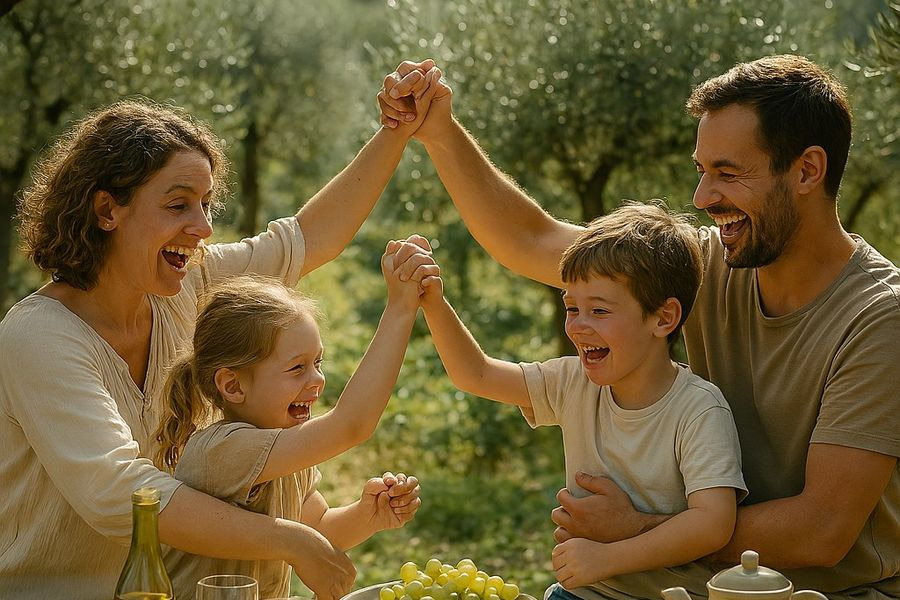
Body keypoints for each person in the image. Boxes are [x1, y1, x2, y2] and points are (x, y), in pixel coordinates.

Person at [378, 55, 899, 598]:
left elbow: (821, 532)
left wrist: (638, 530)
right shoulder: (708, 266)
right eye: (702, 171)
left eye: (728, 172)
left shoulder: (878, 318)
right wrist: (439, 133)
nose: (702, 199)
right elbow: (530, 241)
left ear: (807, 171)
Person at [0, 72, 442, 600]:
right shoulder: (39, 337)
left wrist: (396, 130)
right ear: (106, 210)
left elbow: (306, 239)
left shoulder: (187, 284)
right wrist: (290, 540)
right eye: (178, 204)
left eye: (206, 204)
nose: (204, 227)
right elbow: (120, 491)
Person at [415, 203, 746, 595]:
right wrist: (433, 304)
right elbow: (477, 374)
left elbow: (713, 524)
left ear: (663, 318)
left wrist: (608, 559)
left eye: (599, 310)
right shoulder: (574, 382)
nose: (578, 326)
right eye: (572, 307)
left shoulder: (698, 410)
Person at [155, 268, 422, 599]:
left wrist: (370, 515)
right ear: (233, 385)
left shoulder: (287, 451)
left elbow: (319, 527)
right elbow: (351, 425)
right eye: (297, 368)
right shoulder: (221, 450)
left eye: (318, 363)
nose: (317, 380)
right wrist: (400, 309)